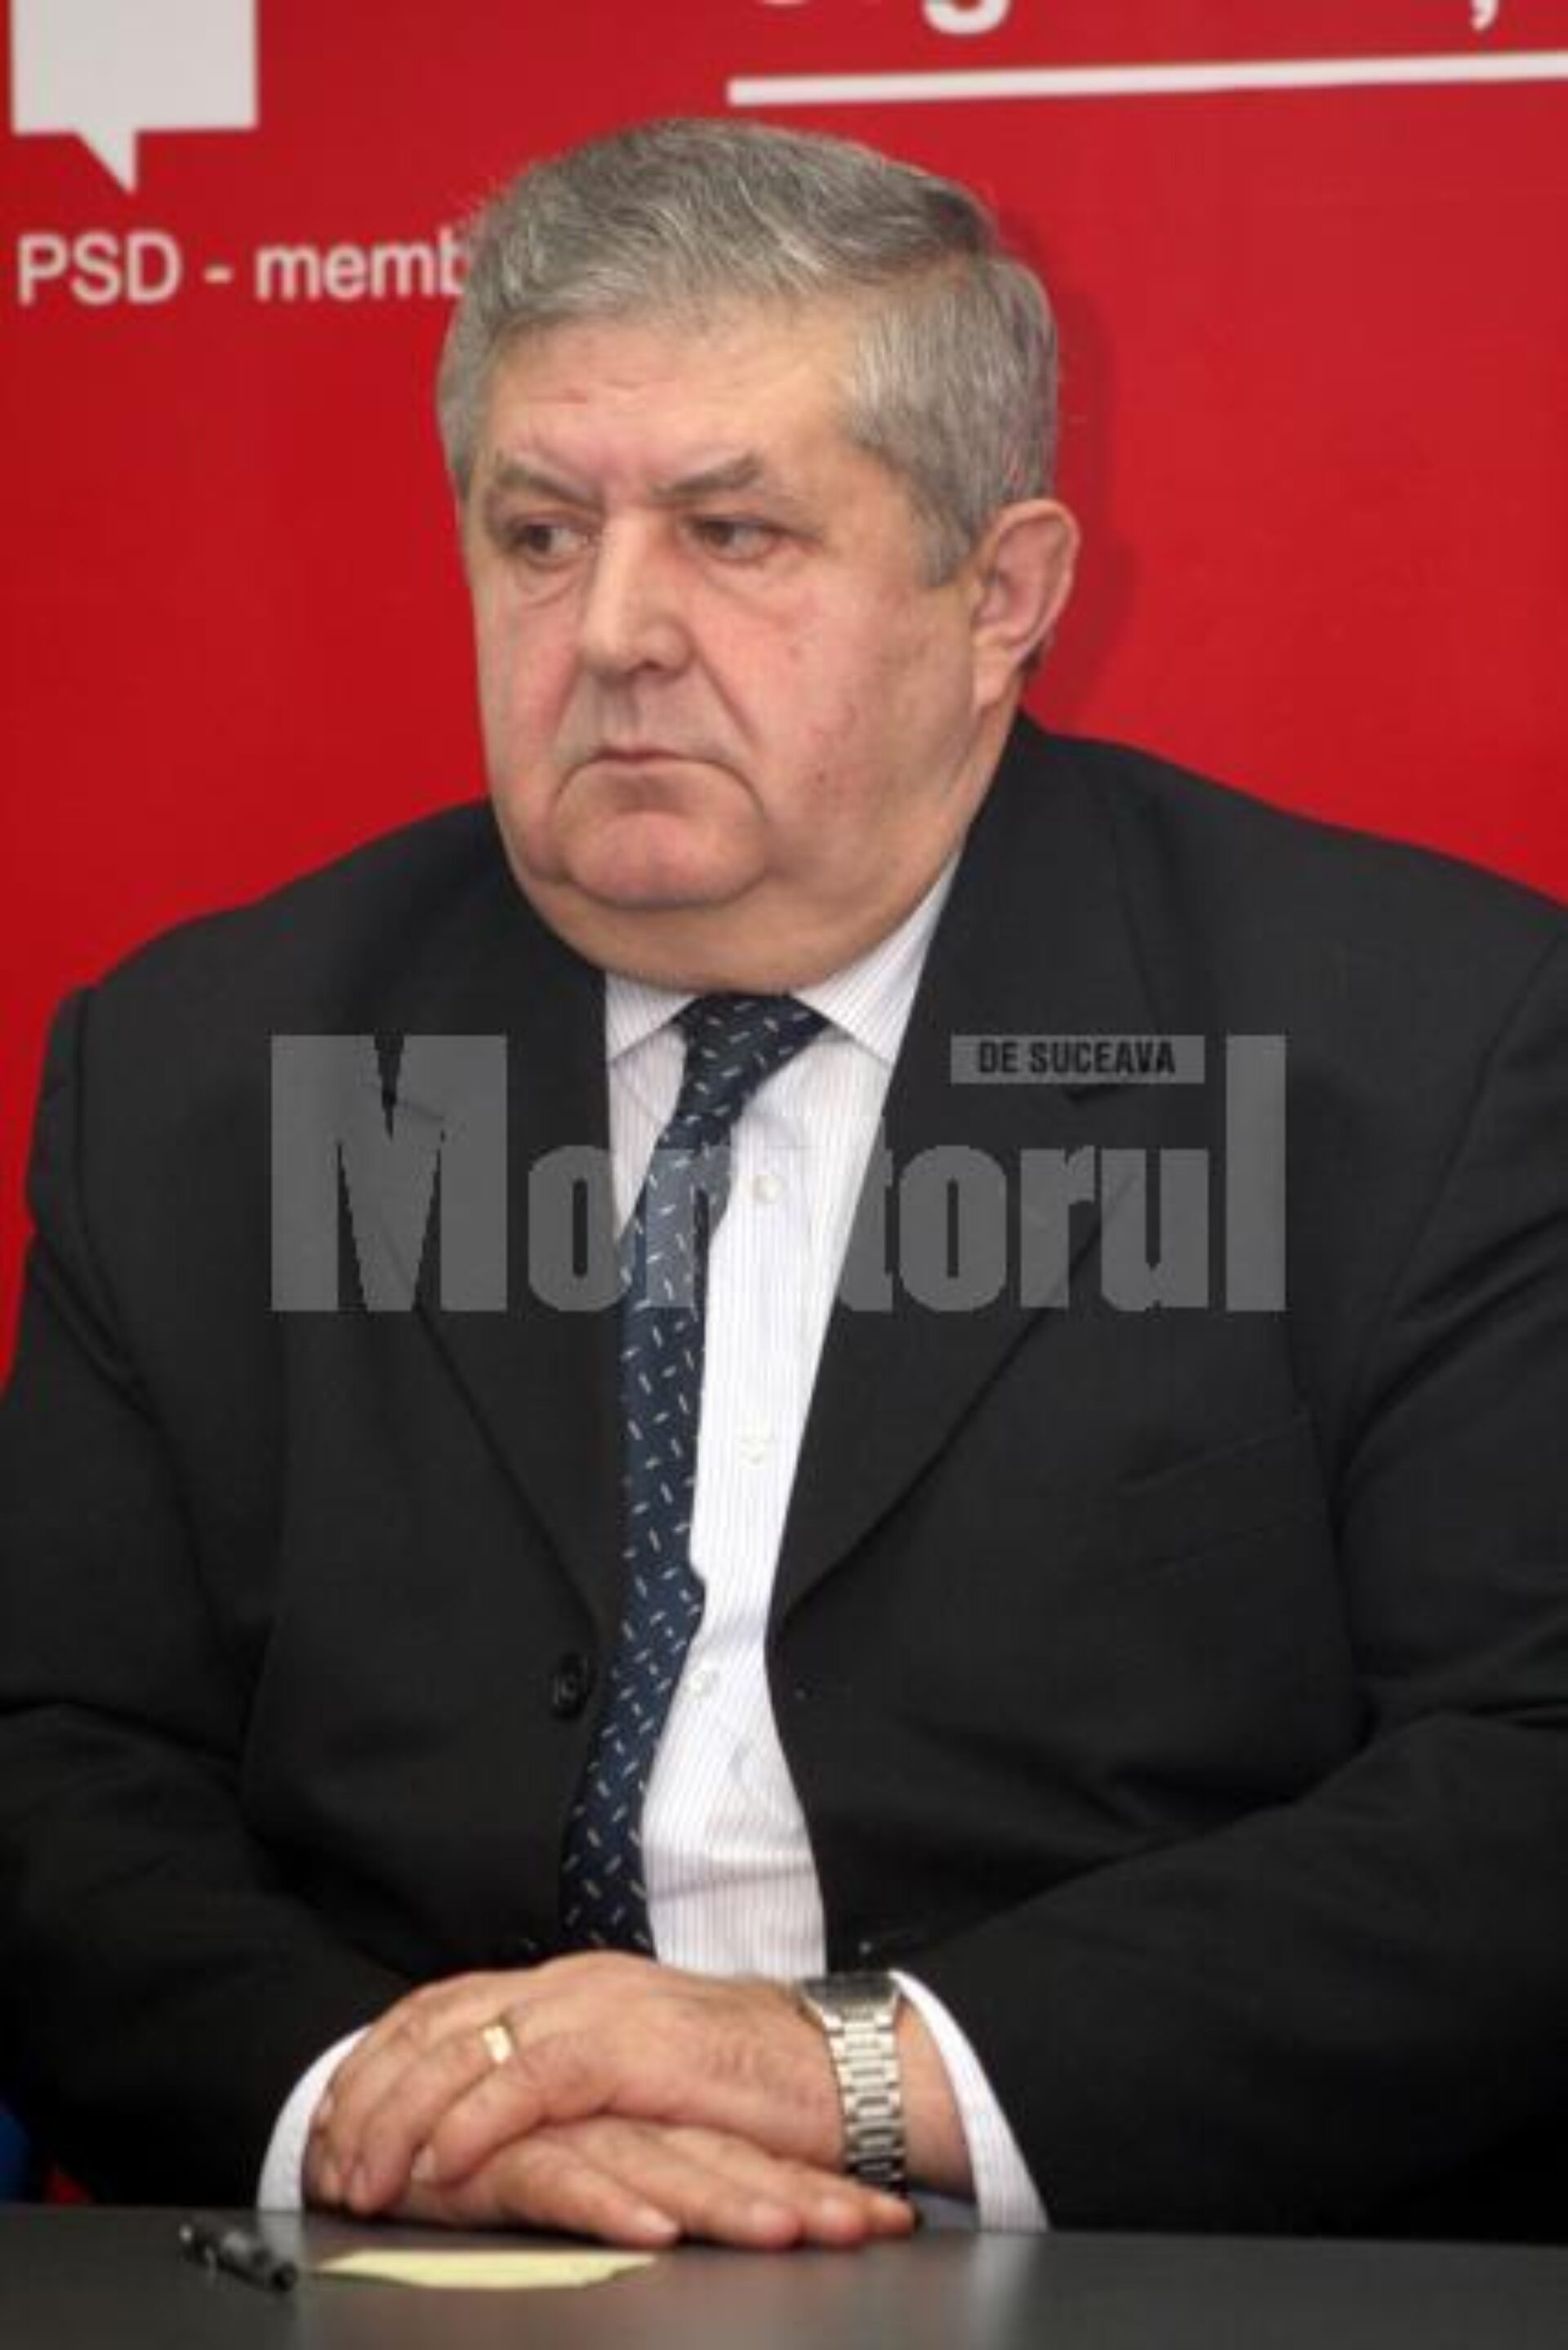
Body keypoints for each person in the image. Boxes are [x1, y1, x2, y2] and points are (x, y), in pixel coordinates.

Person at [1, 116, 1566, 2250]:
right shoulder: (211, 1068)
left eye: (733, 533)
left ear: (1000, 596)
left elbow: (1525, 1768)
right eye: (540, 533)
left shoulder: (1420, 1046)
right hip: (412, 2249)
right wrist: (383, 2108)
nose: (613, 630)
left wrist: (855, 2074)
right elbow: (58, 1757)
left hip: (1141, 2254)